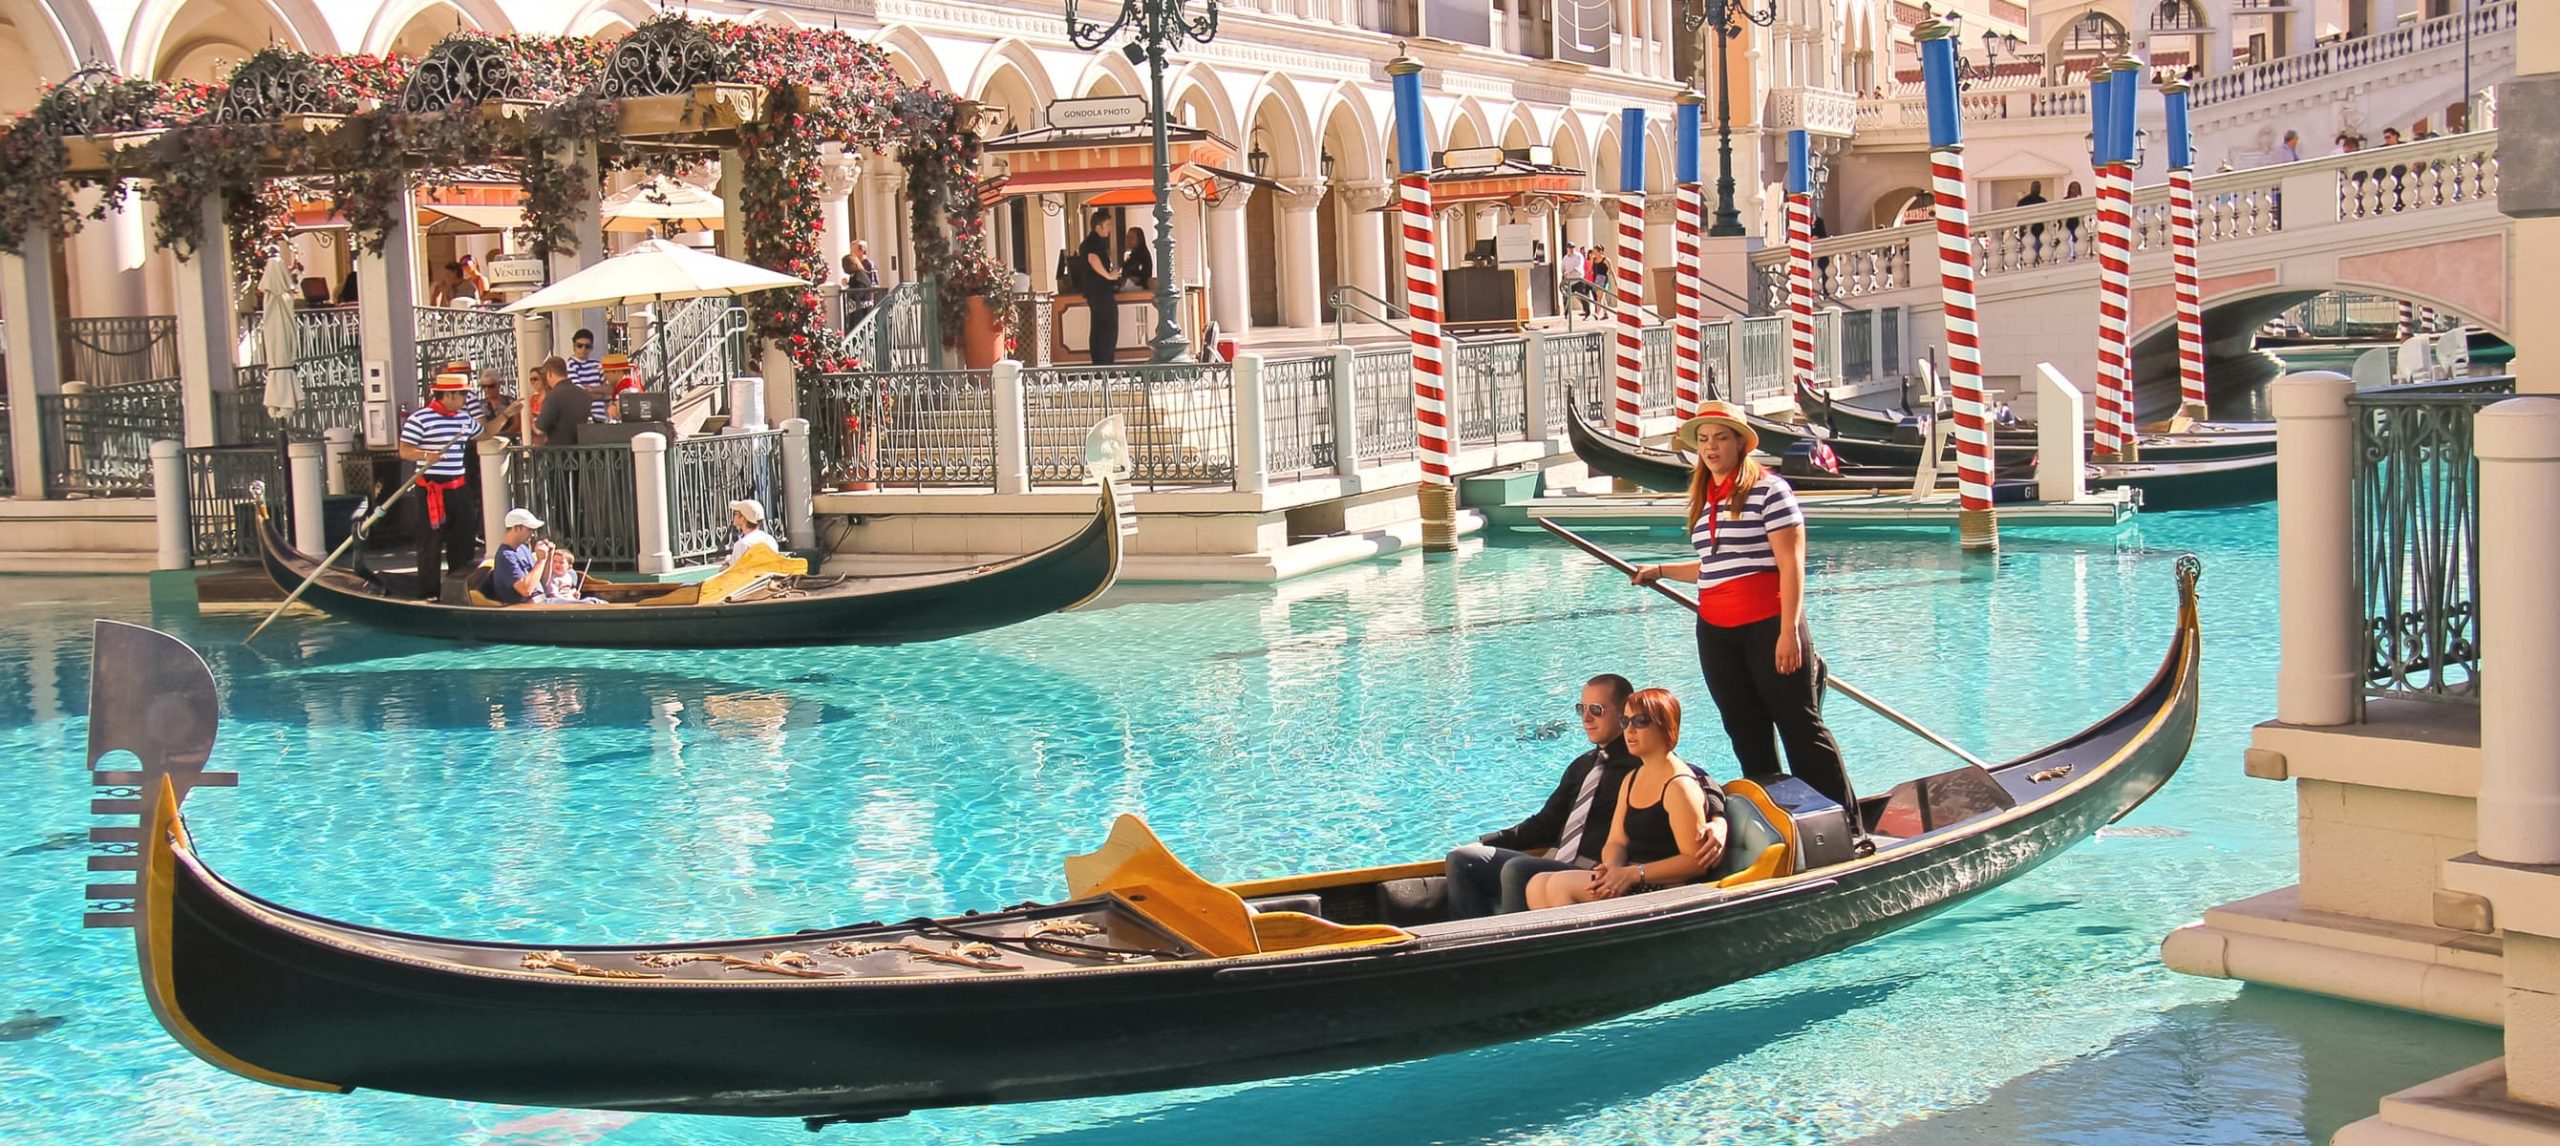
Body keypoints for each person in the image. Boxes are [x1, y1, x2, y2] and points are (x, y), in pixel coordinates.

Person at [1631, 401, 1860, 818]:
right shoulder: (1705, 499)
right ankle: (1782, 821)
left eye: (1720, 438)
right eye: (1703, 440)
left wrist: (1788, 630)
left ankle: (1845, 822)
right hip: (1717, 631)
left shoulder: (1771, 490)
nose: (1711, 447)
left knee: (1799, 727)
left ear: (1740, 443)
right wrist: (1661, 570)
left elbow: (1790, 564)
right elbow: (1717, 566)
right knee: (1744, 731)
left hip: (1768, 625)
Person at [1443, 674, 1641, 919]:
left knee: (1518, 868)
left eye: (1596, 710)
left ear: (1624, 712)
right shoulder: (1582, 766)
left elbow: (1682, 788)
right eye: (1581, 709)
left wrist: (1706, 826)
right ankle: (1470, 942)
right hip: (1557, 862)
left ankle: (1512, 947)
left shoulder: (1641, 767)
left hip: (1591, 871)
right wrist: (1487, 842)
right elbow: (1546, 824)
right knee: (1462, 858)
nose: (1586, 718)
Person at [1521, 688, 1729, 909]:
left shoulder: (1680, 786)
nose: (1629, 730)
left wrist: (1634, 874)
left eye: (1640, 722)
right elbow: (1616, 841)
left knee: (1559, 885)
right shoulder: (1631, 779)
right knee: (1537, 883)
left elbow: (1695, 862)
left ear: (1666, 726)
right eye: (1625, 722)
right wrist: (1611, 868)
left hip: (1665, 888)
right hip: (1630, 877)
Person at [398, 372, 485, 601]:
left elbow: (485, 433)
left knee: (464, 540)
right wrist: (427, 455)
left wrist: (507, 414)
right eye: (463, 394)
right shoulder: (419, 419)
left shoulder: (463, 419)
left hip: (459, 489)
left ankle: (458, 590)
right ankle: (429, 593)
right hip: (431, 489)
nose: (466, 398)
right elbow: (405, 450)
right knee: (431, 542)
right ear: (448, 394)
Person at [485, 507, 553, 606]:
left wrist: (548, 557)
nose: (533, 534)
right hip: (528, 608)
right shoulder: (506, 556)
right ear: (516, 528)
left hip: (542, 601)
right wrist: (540, 561)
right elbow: (525, 590)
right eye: (529, 529)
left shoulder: (523, 548)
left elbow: (542, 583)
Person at [1079, 211, 1122, 365]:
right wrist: (1108, 276)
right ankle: (1105, 364)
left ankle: (1099, 364)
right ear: (1098, 226)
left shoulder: (1089, 242)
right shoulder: (1094, 242)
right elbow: (1093, 258)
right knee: (1108, 328)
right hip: (1101, 292)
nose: (1110, 229)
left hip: (1094, 293)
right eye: (1108, 225)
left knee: (1097, 328)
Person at [533, 356, 591, 446]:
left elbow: (540, 429)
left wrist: (530, 420)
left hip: (558, 453)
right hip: (580, 453)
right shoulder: (583, 394)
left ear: (550, 374)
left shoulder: (553, 395)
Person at [724, 499, 780, 570]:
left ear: (743, 518)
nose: (733, 517)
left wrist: (728, 560)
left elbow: (735, 570)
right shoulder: (770, 540)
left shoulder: (742, 544)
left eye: (735, 513)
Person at [842, 241, 879, 331]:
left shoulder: (862, 273)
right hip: (861, 310)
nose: (852, 253)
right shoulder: (856, 275)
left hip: (862, 311)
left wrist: (848, 289)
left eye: (853, 251)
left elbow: (859, 293)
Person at [1120, 226, 1154, 292]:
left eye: (1132, 238)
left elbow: (1143, 275)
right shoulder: (1132, 255)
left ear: (1139, 240)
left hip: (1138, 289)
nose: (1128, 240)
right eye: (1127, 237)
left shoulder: (1142, 255)